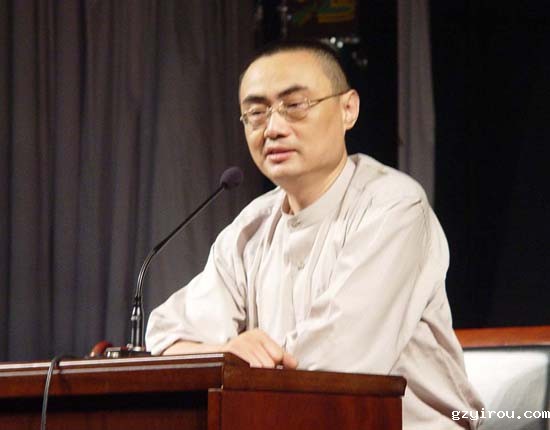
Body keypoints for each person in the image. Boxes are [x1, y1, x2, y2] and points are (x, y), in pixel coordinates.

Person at [146, 40, 483, 429]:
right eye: (256, 113)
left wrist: (233, 363)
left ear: (347, 109)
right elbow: (166, 334)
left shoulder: (392, 206)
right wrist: (227, 352)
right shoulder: (253, 225)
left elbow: (335, 363)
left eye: (295, 105)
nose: (273, 129)